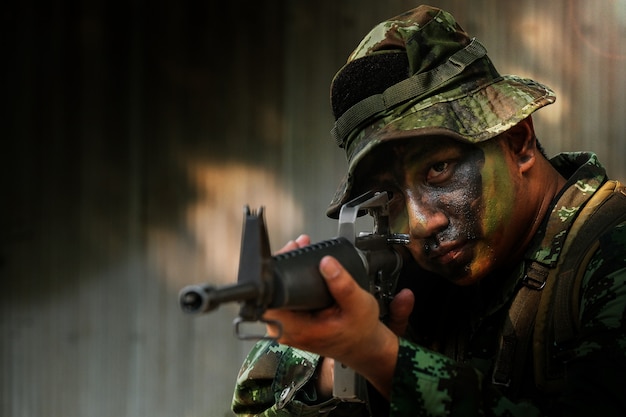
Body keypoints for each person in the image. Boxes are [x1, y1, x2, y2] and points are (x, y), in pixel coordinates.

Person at [231, 5, 626, 416]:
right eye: (390, 195)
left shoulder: (612, 250)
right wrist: (334, 370)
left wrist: (381, 357)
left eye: (438, 169)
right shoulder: (413, 284)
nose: (421, 223)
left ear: (518, 141)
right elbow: (248, 404)